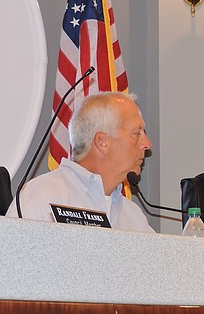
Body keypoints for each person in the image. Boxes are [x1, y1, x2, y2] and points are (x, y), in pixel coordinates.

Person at [6, 92, 154, 233]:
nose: (147, 144)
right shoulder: (41, 197)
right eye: (136, 133)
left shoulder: (134, 217)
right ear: (102, 142)